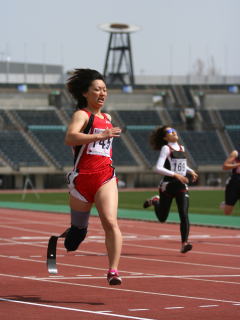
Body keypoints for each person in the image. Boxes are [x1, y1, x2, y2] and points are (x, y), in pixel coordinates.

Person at [64, 68, 122, 285]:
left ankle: (113, 270)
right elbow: (70, 138)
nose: (102, 93)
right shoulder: (82, 115)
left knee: (110, 221)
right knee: (74, 238)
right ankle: (78, 230)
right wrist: (102, 135)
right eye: (97, 89)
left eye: (105, 89)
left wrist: (104, 133)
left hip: (105, 177)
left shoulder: (107, 118)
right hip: (82, 181)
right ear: (85, 93)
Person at [143, 125, 198, 253]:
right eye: (169, 131)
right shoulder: (165, 148)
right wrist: (176, 175)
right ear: (165, 137)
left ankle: (184, 243)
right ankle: (156, 201)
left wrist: (191, 171)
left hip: (181, 185)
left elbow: (181, 165)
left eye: (174, 130)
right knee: (162, 218)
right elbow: (158, 168)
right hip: (167, 186)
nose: (173, 132)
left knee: (183, 214)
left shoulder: (181, 148)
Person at [221, 149, 240, 215]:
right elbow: (225, 166)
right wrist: (238, 164)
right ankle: (226, 204)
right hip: (235, 183)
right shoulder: (236, 153)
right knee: (227, 212)